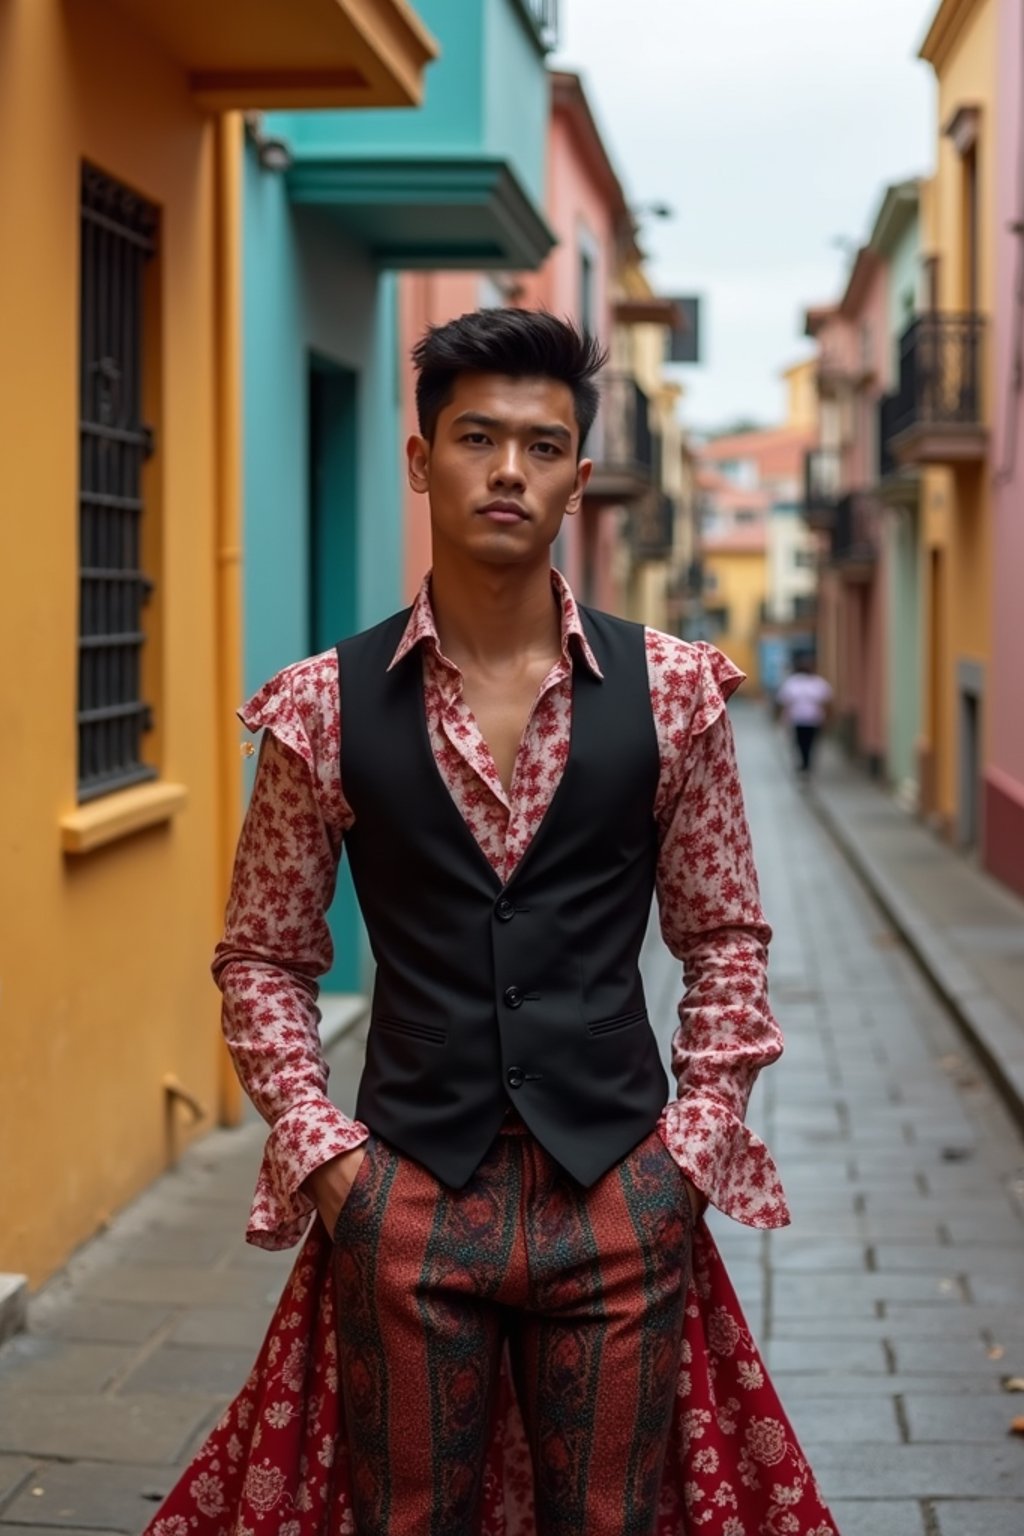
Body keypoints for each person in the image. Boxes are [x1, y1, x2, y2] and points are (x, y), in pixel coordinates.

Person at [144, 311, 839, 1536]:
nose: (508, 468)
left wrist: (690, 1148)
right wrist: (331, 1163)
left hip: (619, 1187)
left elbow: (724, 935)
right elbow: (263, 953)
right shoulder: (319, 706)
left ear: (576, 474)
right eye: (476, 437)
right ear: (421, 461)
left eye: (542, 442)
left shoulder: (674, 691)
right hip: (407, 1192)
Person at [775, 652, 833, 777]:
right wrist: (783, 718)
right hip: (798, 720)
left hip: (813, 720)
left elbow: (827, 702)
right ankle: (803, 764)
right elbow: (785, 701)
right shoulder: (793, 682)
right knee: (799, 742)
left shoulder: (818, 683)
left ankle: (807, 764)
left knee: (811, 743)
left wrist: (827, 719)